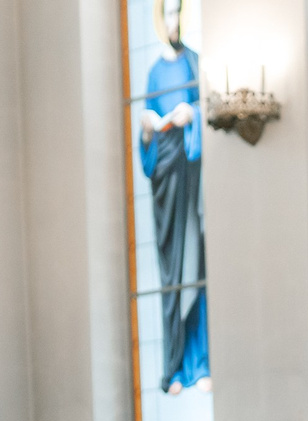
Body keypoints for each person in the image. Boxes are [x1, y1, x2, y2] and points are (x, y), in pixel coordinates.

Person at [138, 0, 208, 393]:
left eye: (179, 13)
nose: (174, 21)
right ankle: (175, 366)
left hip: (191, 176)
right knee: (172, 272)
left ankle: (199, 362)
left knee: (196, 268)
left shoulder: (195, 62)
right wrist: (148, 130)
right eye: (168, 14)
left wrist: (192, 115)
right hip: (166, 182)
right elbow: (146, 139)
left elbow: (205, 110)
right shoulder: (153, 73)